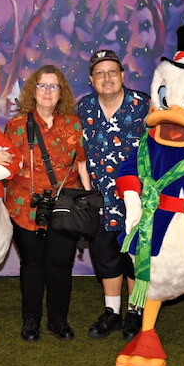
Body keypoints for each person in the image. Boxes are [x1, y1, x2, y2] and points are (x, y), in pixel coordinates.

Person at [4, 65, 91, 343]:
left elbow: (80, 163)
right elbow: (5, 163)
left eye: (54, 86)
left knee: (60, 265)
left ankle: (58, 321)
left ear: (61, 92)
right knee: (32, 265)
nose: (47, 92)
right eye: (42, 85)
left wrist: (87, 199)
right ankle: (31, 322)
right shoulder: (16, 126)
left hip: (65, 206)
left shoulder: (73, 124)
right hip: (24, 206)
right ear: (33, 90)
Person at [76, 50, 151, 342]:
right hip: (100, 200)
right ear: (92, 80)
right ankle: (112, 311)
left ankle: (135, 311)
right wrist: (86, 192)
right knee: (106, 258)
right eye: (100, 73)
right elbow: (80, 155)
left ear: (122, 75)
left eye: (112, 71)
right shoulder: (83, 109)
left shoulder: (144, 105)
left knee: (134, 257)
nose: (106, 78)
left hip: (136, 200)